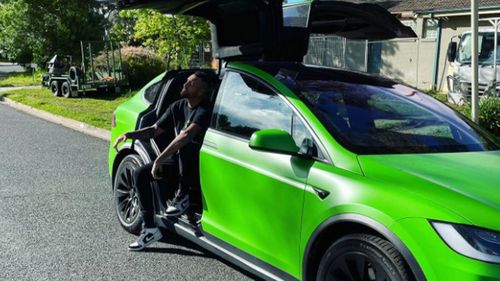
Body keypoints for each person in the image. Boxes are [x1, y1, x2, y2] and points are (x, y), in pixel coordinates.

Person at [113, 71, 214, 251]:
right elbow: (154, 130)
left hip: (203, 166)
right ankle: (150, 228)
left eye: (191, 83)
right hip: (179, 164)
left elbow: (187, 135)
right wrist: (128, 135)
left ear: (201, 91)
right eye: (187, 81)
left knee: (185, 145)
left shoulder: (205, 110)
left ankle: (184, 195)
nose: (185, 84)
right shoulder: (178, 106)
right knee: (140, 173)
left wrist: (160, 159)